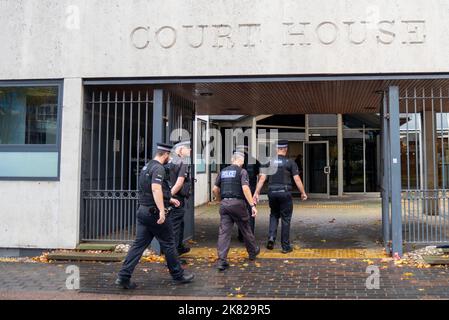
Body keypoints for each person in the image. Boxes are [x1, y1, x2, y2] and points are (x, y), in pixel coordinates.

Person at [115, 143, 194, 289]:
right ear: (165, 155)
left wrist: (169, 198)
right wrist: (162, 210)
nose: (169, 158)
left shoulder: (147, 166)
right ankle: (178, 275)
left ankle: (123, 276)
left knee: (139, 245)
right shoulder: (158, 168)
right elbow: (156, 189)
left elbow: (149, 190)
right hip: (154, 213)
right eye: (168, 156)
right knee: (169, 243)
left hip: (143, 211)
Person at [253, 140, 308, 254]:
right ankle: (285, 246)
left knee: (274, 214)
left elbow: (262, 179)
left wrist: (256, 193)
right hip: (285, 193)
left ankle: (271, 238)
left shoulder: (269, 162)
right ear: (286, 149)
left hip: (272, 193)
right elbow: (297, 179)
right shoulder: (290, 162)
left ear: (276, 149)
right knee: (285, 219)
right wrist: (303, 192)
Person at [212, 151, 260, 271]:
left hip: (225, 204)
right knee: (245, 228)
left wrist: (219, 200)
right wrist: (252, 205)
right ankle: (253, 251)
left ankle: (222, 261)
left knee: (224, 233)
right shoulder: (242, 171)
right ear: (241, 160)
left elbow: (215, 189)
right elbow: (245, 188)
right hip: (238, 204)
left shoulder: (223, 171)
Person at [165, 140, 192, 256]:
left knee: (180, 224)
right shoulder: (182, 162)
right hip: (176, 199)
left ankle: (179, 247)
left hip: (171, 197)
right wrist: (170, 196)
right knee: (175, 227)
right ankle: (173, 255)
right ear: (181, 150)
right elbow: (179, 182)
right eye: (188, 148)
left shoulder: (170, 161)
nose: (190, 150)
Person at [235, 145, 260, 242]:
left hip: (239, 189)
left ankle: (241, 236)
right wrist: (257, 191)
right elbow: (258, 176)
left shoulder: (236, 161)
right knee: (251, 212)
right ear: (247, 149)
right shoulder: (254, 160)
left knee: (240, 212)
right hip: (251, 189)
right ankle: (250, 235)